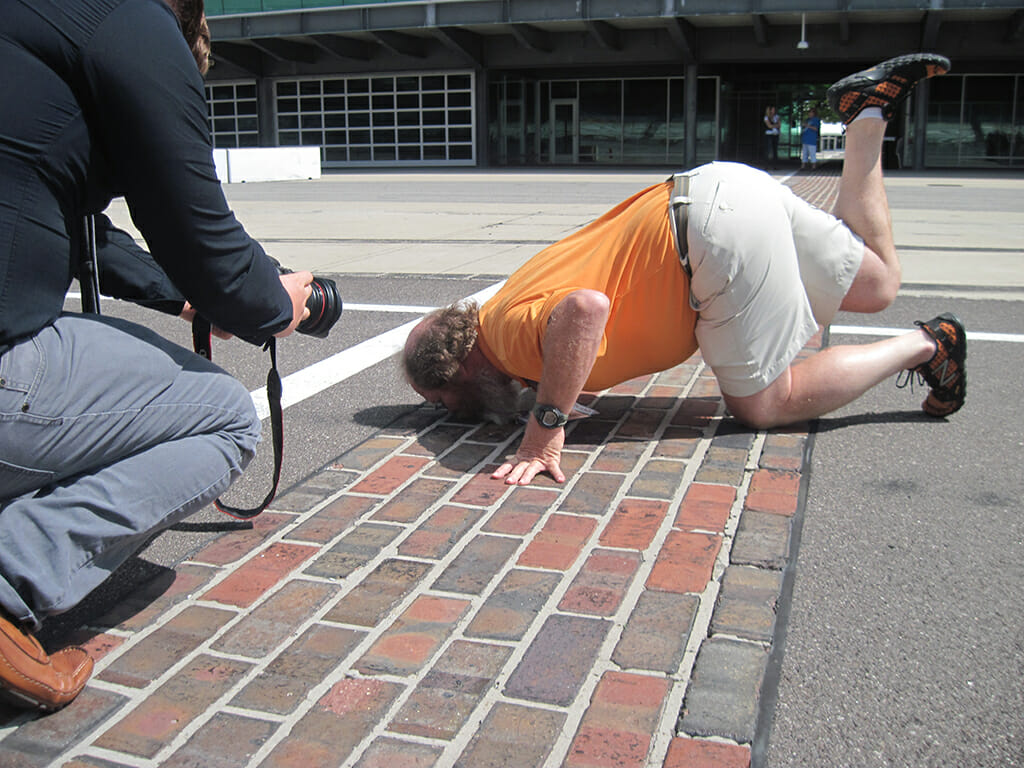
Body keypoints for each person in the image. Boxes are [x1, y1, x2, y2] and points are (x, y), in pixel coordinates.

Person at [403, 53, 965, 489]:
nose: (451, 414)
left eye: (442, 403)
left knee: (764, 405)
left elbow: (584, 310)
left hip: (709, 241)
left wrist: (542, 435)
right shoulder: (502, 306)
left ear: (459, 371)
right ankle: (867, 113)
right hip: (720, 188)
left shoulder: (508, 342)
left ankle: (928, 345)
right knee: (877, 284)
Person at [0, 0, 315, 711]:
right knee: (225, 418)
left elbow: (83, 234)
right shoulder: (126, 21)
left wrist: (180, 297)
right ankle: (8, 575)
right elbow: (204, 239)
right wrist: (275, 303)